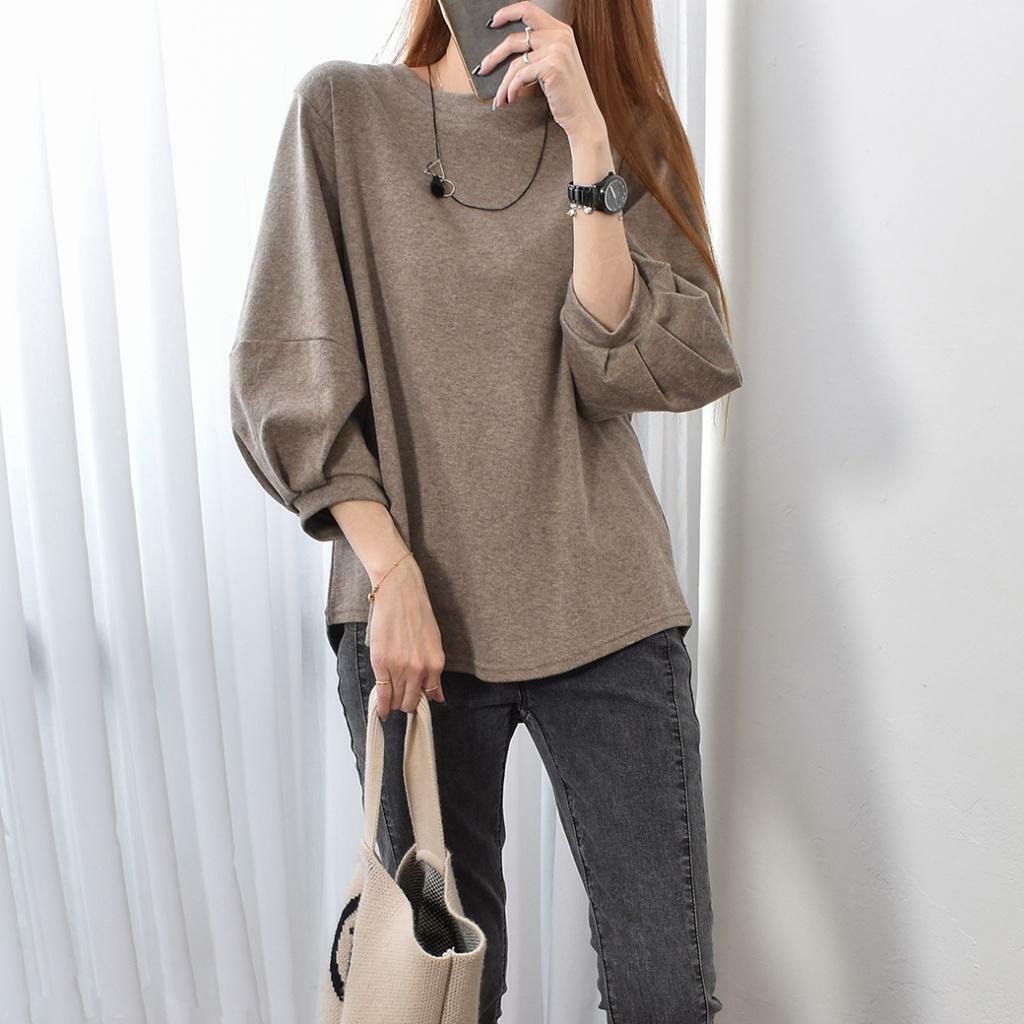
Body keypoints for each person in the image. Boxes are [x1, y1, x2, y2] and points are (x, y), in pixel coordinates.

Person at [229, 2, 742, 1020]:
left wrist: (588, 142)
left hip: (605, 605)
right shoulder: (342, 113)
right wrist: (390, 574)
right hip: (415, 624)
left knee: (666, 995)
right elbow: (288, 374)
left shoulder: (618, 129)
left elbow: (633, 365)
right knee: (450, 995)